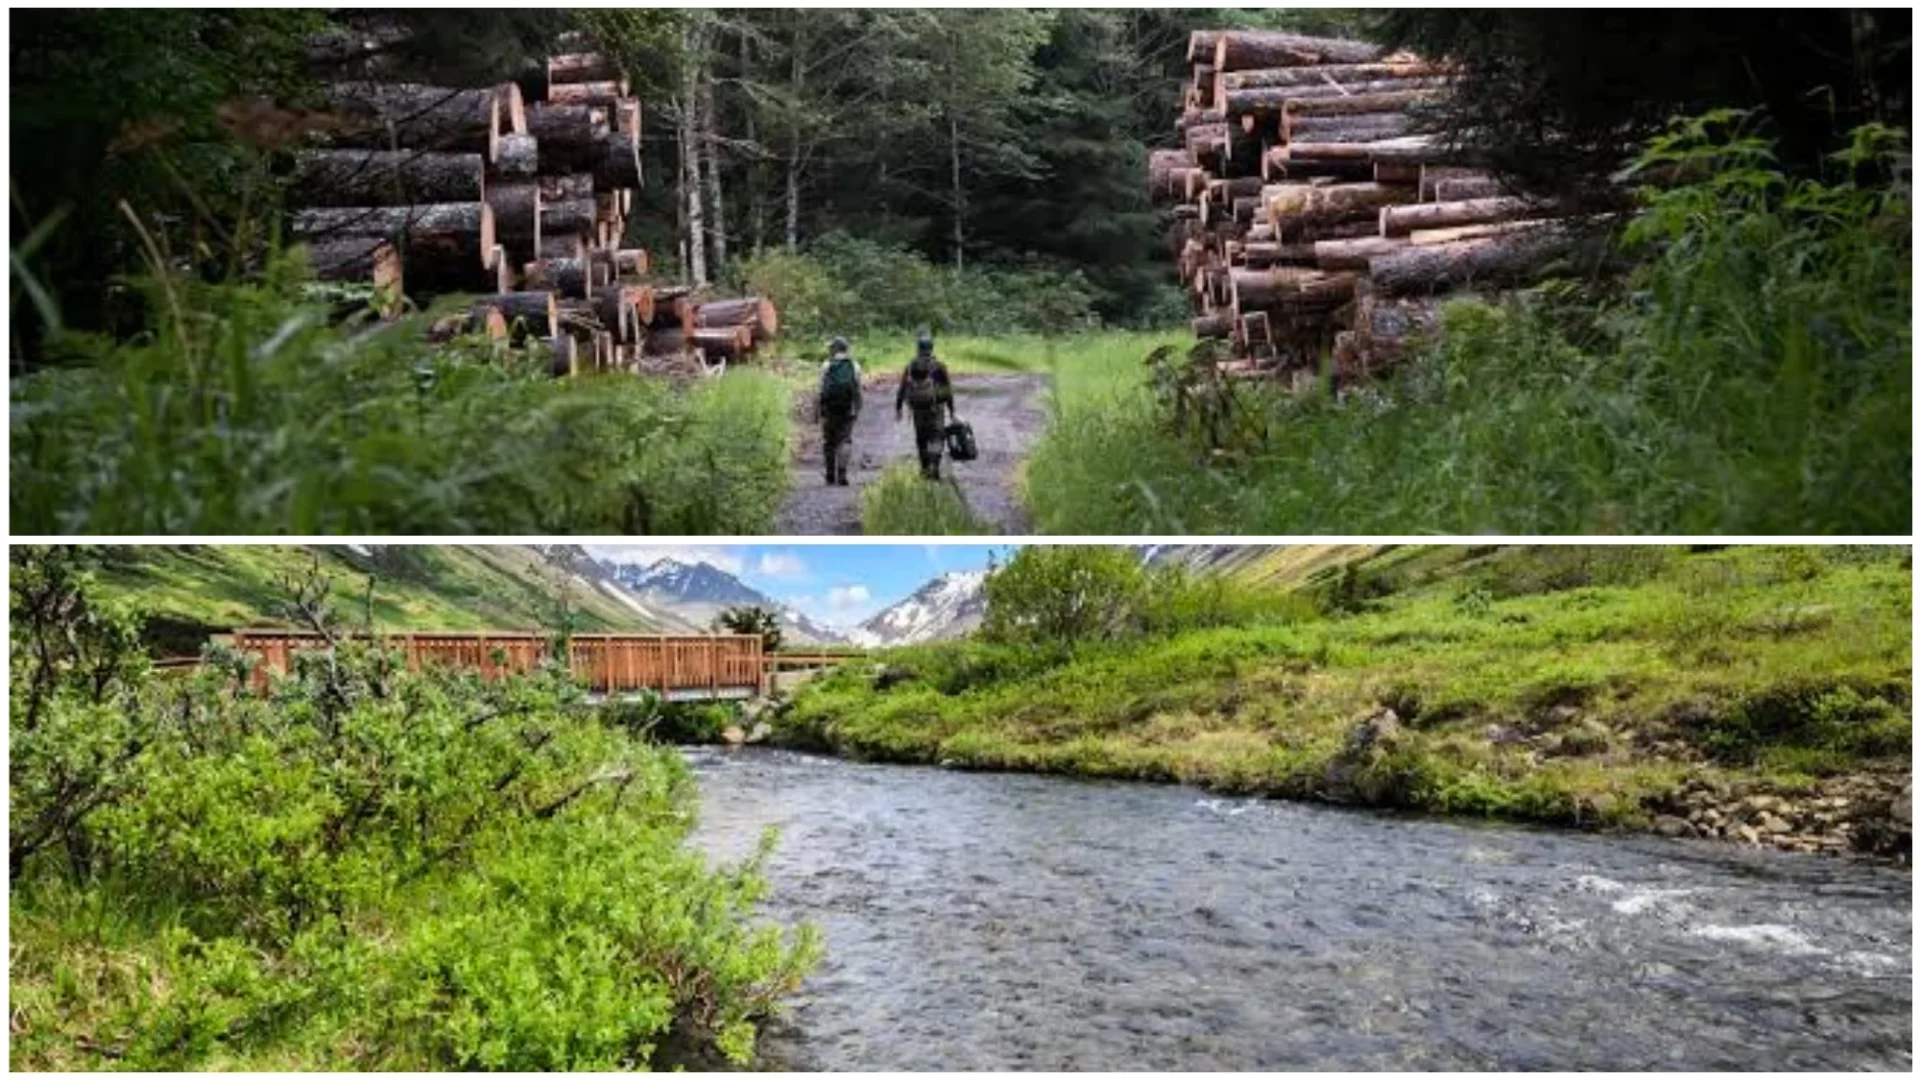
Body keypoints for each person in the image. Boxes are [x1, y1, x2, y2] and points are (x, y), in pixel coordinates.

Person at [895, 330, 955, 480]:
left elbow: (902, 387)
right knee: (937, 437)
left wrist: (898, 408)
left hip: (918, 410)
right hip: (936, 408)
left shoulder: (910, 365)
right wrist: (952, 410)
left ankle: (924, 469)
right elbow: (947, 390)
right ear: (931, 348)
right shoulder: (939, 366)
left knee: (921, 439)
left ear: (918, 348)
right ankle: (934, 465)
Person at [817, 336, 862, 486]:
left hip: (829, 409)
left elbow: (820, 390)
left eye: (831, 347)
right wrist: (858, 407)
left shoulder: (826, 365)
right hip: (847, 409)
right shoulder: (854, 366)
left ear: (835, 349)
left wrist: (818, 410)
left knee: (829, 442)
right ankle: (842, 474)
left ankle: (830, 474)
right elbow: (858, 390)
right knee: (845, 440)